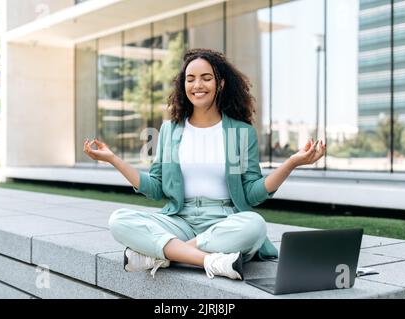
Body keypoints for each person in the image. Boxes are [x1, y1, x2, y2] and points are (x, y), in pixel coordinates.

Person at [83, 48, 326, 281]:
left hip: (224, 220)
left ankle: (165, 256)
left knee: (254, 225)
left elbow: (252, 194)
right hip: (179, 219)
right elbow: (156, 187)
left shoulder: (240, 132)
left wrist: (291, 163)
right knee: (119, 220)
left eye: (206, 78)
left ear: (220, 84)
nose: (197, 85)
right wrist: (113, 159)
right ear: (183, 85)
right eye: (190, 79)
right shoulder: (169, 130)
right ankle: (210, 261)